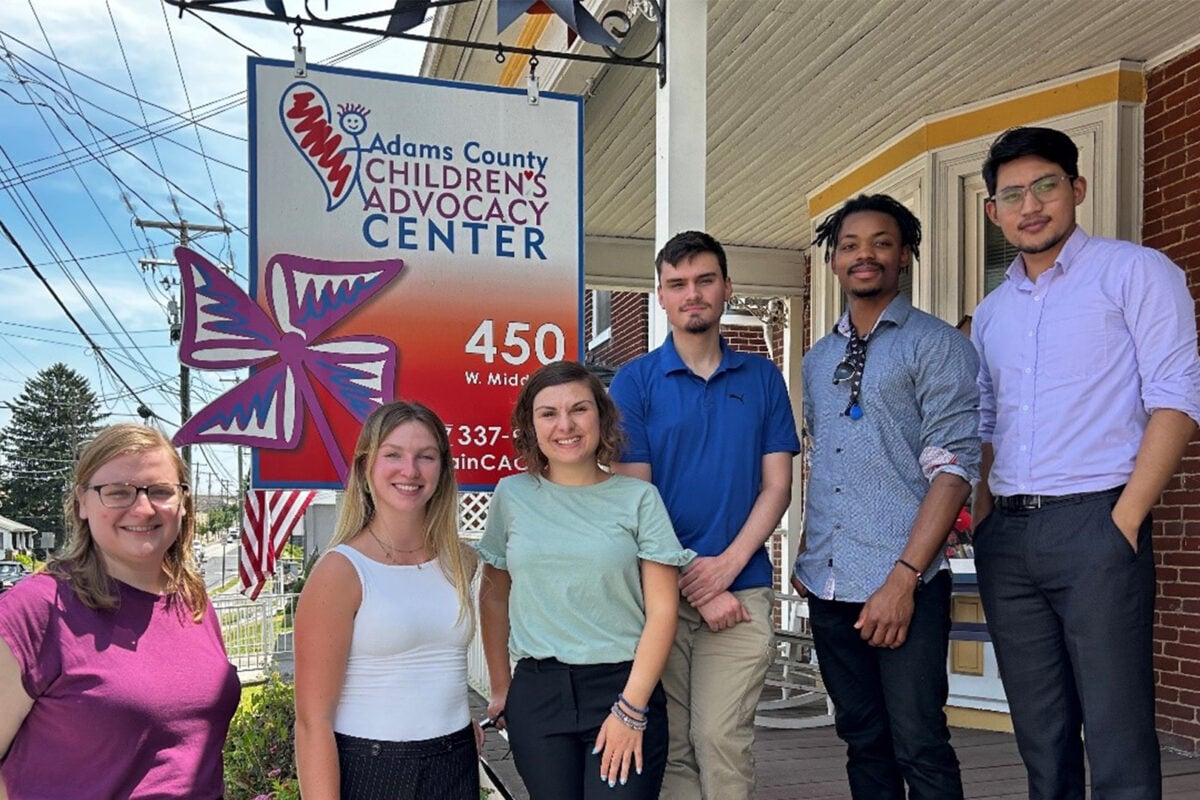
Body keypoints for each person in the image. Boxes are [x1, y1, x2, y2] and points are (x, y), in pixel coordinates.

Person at [971, 126, 1200, 800]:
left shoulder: (1136, 272)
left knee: (1116, 730)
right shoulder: (990, 315)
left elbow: (1176, 400)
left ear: (1077, 188)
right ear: (994, 212)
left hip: (1097, 526)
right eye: (1011, 195)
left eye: (1046, 186)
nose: (1030, 206)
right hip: (1008, 538)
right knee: (1040, 737)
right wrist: (984, 519)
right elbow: (985, 427)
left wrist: (1124, 520)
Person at [793, 194, 979, 799]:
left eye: (880, 242)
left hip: (906, 583)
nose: (864, 255)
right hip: (829, 581)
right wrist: (808, 545)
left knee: (919, 741)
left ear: (904, 256)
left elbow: (952, 470)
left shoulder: (937, 346)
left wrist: (903, 579)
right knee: (862, 738)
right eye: (850, 245)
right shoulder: (818, 360)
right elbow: (825, 458)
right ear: (834, 262)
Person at [608, 230, 801, 800]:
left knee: (721, 737)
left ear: (726, 289)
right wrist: (696, 579)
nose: (692, 294)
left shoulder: (762, 378)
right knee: (676, 749)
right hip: (659, 596)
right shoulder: (635, 381)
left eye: (704, 281)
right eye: (678, 284)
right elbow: (636, 500)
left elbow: (777, 486)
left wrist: (725, 570)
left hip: (741, 593)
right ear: (661, 297)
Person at [478, 361, 692, 799]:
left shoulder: (638, 499)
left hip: (621, 688)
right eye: (548, 413)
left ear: (602, 415)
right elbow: (494, 596)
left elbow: (663, 611)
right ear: (529, 425)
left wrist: (631, 709)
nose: (566, 425)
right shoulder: (512, 495)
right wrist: (502, 688)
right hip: (538, 693)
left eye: (579, 409)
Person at [0, 423, 240, 798]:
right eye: (117, 493)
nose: (143, 509)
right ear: (82, 502)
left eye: (161, 491)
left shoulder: (192, 601)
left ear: (183, 502)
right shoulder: (35, 610)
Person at [293, 401, 480, 800]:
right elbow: (312, 722)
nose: (409, 470)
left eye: (425, 457)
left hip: (456, 759)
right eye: (392, 454)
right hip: (373, 768)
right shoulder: (341, 572)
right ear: (365, 468)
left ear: (443, 470)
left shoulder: (461, 561)